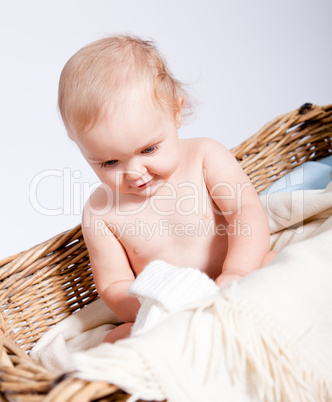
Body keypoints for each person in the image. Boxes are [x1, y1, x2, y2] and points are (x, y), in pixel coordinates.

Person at [58, 34, 275, 343]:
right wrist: (157, 307)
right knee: (114, 342)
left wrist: (238, 271)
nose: (135, 173)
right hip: (171, 311)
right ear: (81, 148)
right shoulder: (100, 212)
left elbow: (246, 213)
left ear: (176, 112)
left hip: (239, 278)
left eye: (148, 150)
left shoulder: (204, 156)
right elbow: (114, 284)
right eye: (109, 162)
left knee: (283, 268)